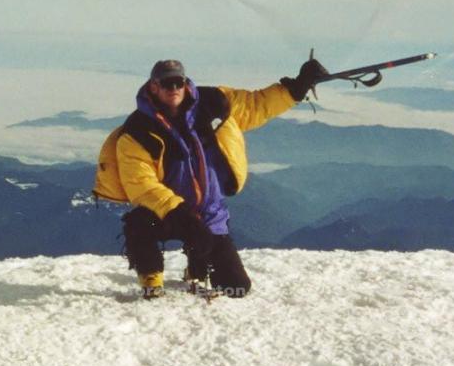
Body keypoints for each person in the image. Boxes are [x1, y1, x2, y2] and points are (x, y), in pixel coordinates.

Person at [95, 57, 326, 299]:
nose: (173, 89)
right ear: (153, 86)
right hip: (165, 212)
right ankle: (150, 275)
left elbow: (255, 105)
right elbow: (141, 184)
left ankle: (196, 266)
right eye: (166, 83)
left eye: (178, 82)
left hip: (209, 213)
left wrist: (295, 89)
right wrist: (180, 214)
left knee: (236, 288)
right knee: (138, 224)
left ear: (185, 83)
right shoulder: (138, 130)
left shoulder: (213, 104)